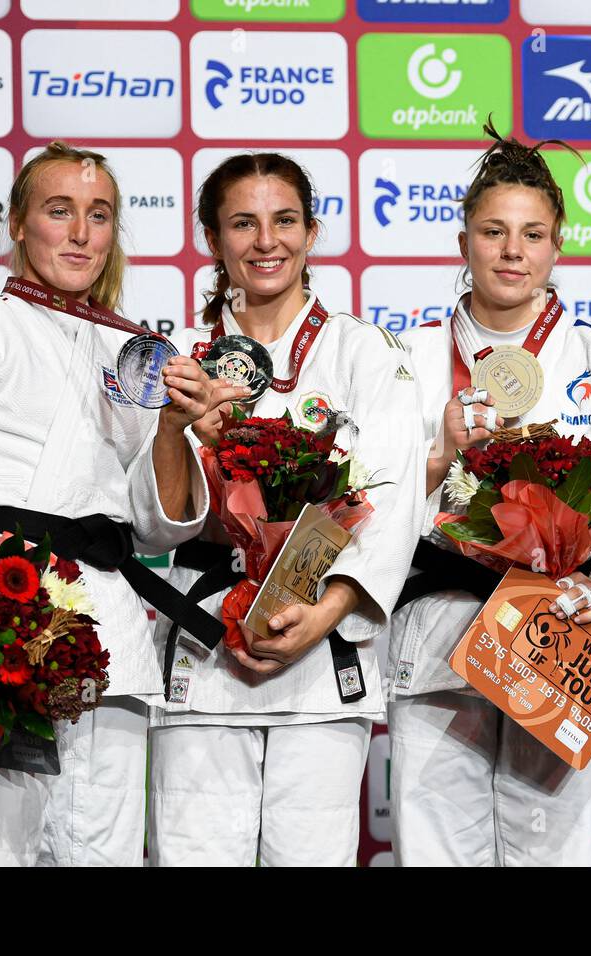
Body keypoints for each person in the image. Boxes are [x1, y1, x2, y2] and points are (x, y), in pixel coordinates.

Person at [0, 141, 238, 866]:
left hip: (106, 630)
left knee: (102, 850)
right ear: (18, 224)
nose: (81, 233)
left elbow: (158, 523)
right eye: (59, 211)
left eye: (99, 215)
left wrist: (174, 426)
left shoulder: (137, 352)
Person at [386, 126, 591, 866]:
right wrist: (441, 452)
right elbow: (368, 498)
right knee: (435, 851)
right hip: (438, 632)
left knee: (553, 851)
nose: (512, 251)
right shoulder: (407, 357)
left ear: (557, 246)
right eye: (493, 232)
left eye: (532, 234)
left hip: (557, 636)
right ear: (463, 243)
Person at [147, 152, 425, 866]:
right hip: (205, 643)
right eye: (243, 222)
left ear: (312, 232)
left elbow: (394, 499)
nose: (266, 241)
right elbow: (155, 523)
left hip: (319, 656)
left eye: (284, 221)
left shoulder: (365, 351)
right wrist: (176, 432)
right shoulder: (178, 357)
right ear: (213, 238)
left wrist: (326, 612)